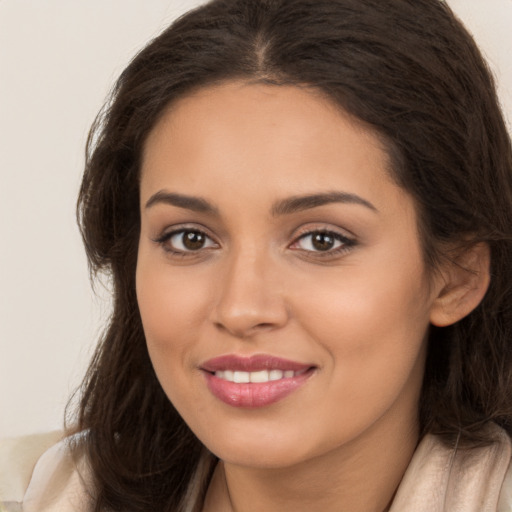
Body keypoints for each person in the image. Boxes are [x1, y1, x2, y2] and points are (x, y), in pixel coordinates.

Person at [8, 0, 512, 510]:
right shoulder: (43, 494)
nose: (241, 309)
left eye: (322, 240)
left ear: (456, 276)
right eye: (190, 238)